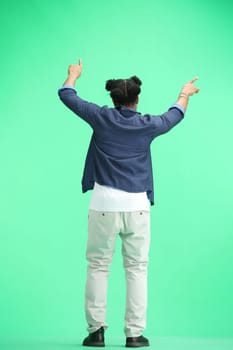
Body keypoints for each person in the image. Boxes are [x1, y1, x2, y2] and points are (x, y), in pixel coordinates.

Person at [58, 59, 199, 348]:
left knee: (98, 267)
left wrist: (73, 75)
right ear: (137, 99)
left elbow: (67, 95)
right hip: (137, 206)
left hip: (103, 205)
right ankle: (134, 334)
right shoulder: (148, 125)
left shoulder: (100, 117)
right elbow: (174, 115)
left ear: (114, 99)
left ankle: (96, 332)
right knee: (137, 269)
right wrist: (185, 92)